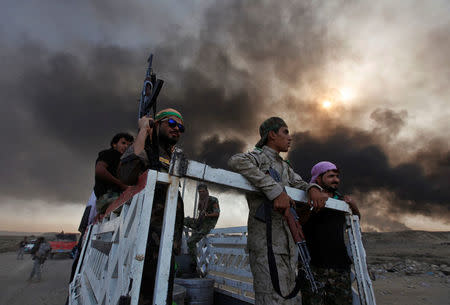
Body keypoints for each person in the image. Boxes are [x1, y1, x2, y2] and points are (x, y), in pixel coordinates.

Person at [228, 117, 328, 305]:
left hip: (288, 244)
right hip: (266, 243)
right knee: (271, 299)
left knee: (290, 300)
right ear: (272, 135)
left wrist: (313, 188)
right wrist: (275, 191)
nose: (290, 138)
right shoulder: (258, 157)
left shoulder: (285, 167)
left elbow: (300, 183)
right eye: (285, 132)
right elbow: (235, 161)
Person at [119, 108, 185, 305]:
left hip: (167, 239)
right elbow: (127, 174)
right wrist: (143, 130)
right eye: (171, 124)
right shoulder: (147, 148)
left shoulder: (174, 156)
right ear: (157, 125)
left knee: (163, 293)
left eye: (181, 127)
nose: (177, 129)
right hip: (145, 238)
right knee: (142, 293)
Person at [300, 161, 360, 305]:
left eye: (337, 176)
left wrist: (354, 206)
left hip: (340, 267)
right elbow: (298, 223)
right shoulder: (304, 196)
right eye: (331, 176)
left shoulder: (341, 200)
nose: (336, 180)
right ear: (318, 178)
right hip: (313, 267)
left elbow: (356, 222)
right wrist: (311, 209)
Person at [94, 132, 134, 214]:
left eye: (129, 145)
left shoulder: (124, 160)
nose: (126, 146)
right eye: (123, 143)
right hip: (108, 197)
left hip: (111, 197)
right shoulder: (110, 154)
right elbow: (99, 171)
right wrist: (121, 185)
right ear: (114, 144)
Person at [184, 183, 220, 272]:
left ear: (207, 191)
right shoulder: (201, 200)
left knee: (191, 241)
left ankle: (193, 264)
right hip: (200, 222)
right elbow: (200, 213)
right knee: (183, 219)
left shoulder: (213, 200)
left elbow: (217, 213)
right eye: (199, 192)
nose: (201, 193)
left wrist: (207, 215)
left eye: (203, 191)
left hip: (208, 224)